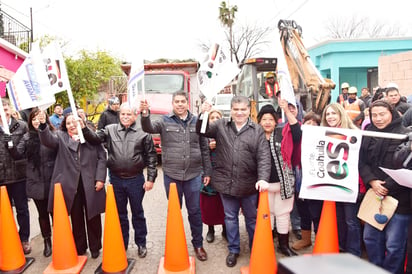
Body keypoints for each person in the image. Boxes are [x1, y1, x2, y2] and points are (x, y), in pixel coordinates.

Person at [197, 95, 271, 267]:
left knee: (252, 219)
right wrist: (204, 114)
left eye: (243, 109)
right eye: (236, 109)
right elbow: (202, 130)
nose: (239, 113)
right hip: (226, 183)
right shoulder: (221, 125)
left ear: (249, 110)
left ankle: (256, 247)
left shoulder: (256, 130)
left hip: (249, 184)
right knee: (230, 218)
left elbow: (263, 156)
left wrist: (263, 178)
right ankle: (234, 250)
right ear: (230, 110)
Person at [140, 91, 212, 262]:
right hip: (172, 175)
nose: (180, 104)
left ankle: (198, 244)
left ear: (188, 103)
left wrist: (207, 171)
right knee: (174, 211)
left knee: (195, 212)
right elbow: (148, 128)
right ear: (172, 104)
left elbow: (204, 147)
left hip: (194, 174)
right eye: (177, 101)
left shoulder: (197, 121)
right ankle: (175, 243)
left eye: (183, 101)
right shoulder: (164, 121)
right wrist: (144, 114)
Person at [82, 103, 157, 258]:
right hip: (116, 180)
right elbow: (94, 138)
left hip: (136, 180)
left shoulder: (143, 132)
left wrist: (150, 178)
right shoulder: (110, 130)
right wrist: (83, 126)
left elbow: (151, 157)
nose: (125, 117)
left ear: (134, 116)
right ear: (119, 115)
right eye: (123, 114)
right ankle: (122, 242)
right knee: (120, 214)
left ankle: (141, 243)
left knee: (137, 213)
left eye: (129, 114)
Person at [38, 112, 107, 259]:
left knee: (93, 216)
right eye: (68, 123)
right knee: (76, 218)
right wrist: (43, 125)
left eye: (74, 122)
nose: (71, 125)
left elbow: (102, 157)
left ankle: (95, 247)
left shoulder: (91, 137)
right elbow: (48, 140)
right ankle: (80, 247)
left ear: (80, 122)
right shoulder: (61, 137)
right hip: (71, 185)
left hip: (91, 183)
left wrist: (100, 178)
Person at [359, 100, 411, 273]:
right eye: (374, 115)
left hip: (399, 199)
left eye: (382, 114)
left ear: (392, 113)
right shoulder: (368, 133)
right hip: (374, 194)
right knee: (371, 239)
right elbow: (362, 162)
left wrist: (387, 185)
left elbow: (406, 165)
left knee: (395, 245)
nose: (378, 119)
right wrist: (372, 181)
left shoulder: (405, 134)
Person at [11, 108, 56, 257]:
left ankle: (62, 240)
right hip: (36, 182)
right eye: (34, 119)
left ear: (45, 119)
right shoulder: (26, 137)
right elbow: (17, 154)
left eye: (40, 118)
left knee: (56, 214)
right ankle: (47, 242)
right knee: (42, 214)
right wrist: (10, 143)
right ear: (30, 122)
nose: (37, 121)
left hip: (53, 180)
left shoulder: (52, 134)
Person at [321, 103, 363, 257]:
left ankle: (354, 254)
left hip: (350, 184)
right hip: (333, 184)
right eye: (328, 114)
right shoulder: (323, 133)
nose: (330, 117)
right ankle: (341, 248)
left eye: (334, 113)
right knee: (338, 219)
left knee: (351, 221)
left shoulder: (353, 133)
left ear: (341, 115)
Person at [256, 104, 297, 256]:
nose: (267, 122)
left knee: (283, 214)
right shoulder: (255, 135)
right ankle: (266, 244)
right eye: (264, 119)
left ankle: (284, 245)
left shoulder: (283, 133)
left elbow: (297, 133)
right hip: (263, 184)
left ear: (276, 121)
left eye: (271, 119)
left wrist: (287, 110)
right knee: (267, 214)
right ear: (259, 121)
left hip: (283, 183)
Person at [0, 98, 31, 254]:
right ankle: (7, 239)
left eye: (5, 110)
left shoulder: (22, 126)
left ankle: (24, 239)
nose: (3, 114)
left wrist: (11, 144)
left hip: (19, 174)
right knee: (4, 211)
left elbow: (25, 151)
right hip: (2, 176)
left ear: (10, 110)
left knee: (22, 209)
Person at [291, 111, 323, 251]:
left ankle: (320, 242)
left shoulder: (322, 140)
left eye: (314, 124)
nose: (310, 126)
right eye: (307, 123)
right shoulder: (299, 138)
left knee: (316, 214)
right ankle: (305, 240)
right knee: (303, 212)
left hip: (316, 183)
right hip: (300, 180)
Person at [200, 109, 226, 243]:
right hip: (208, 174)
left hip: (224, 175)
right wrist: (207, 148)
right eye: (212, 117)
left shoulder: (227, 133)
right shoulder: (203, 134)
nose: (215, 119)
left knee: (224, 204)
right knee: (209, 205)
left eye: (218, 117)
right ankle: (210, 229)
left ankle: (225, 229)